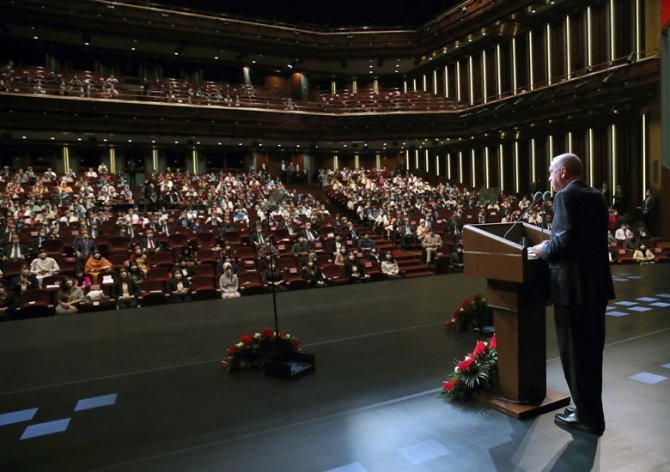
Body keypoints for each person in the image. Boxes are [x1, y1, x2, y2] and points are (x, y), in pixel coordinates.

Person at [529, 153, 614, 436]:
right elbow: (581, 239)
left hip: (573, 290)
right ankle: (588, 409)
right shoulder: (596, 196)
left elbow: (563, 243)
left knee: (575, 355)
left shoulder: (565, 196)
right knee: (591, 354)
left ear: (563, 172)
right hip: (595, 287)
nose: (549, 178)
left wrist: (543, 250)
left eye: (551, 172)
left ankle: (588, 418)